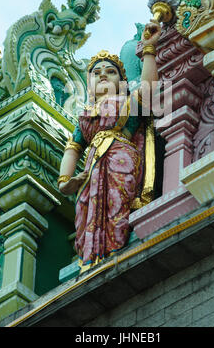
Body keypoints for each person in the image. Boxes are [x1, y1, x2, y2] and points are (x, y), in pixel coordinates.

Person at [58, 22, 161, 272]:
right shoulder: (85, 115)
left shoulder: (127, 102)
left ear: (122, 82)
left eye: (111, 72)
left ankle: (116, 250)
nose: (103, 74)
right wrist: (65, 180)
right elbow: (73, 148)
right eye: (96, 73)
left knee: (117, 202)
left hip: (121, 160)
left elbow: (149, 90)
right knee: (87, 209)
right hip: (91, 170)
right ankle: (92, 257)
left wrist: (148, 49)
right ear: (89, 84)